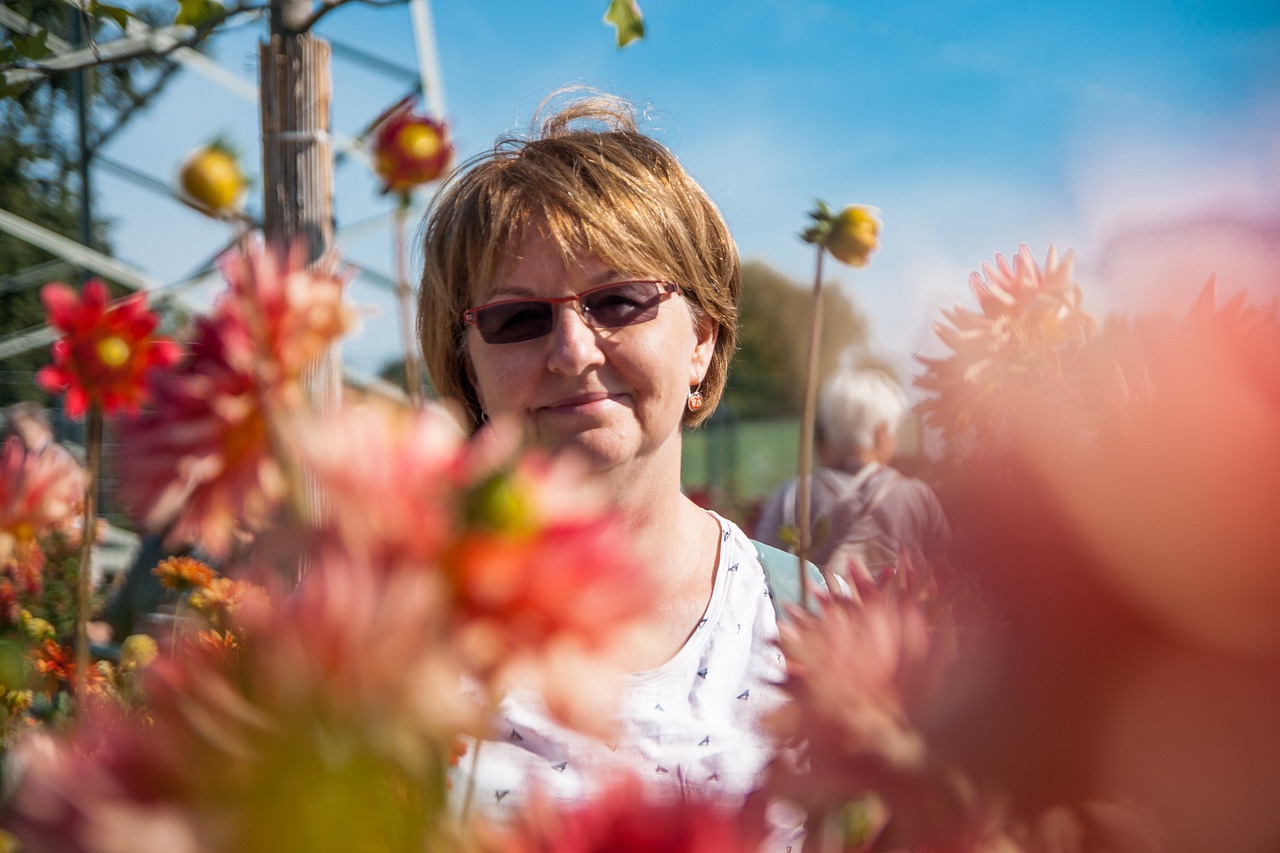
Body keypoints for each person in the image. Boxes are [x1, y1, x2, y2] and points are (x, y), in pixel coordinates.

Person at [416, 92, 814, 840]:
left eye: (619, 300)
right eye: (517, 317)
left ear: (702, 339)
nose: (572, 349)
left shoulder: (805, 619)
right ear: (469, 368)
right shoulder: (405, 625)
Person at [754, 368, 951, 583]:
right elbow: (951, 573)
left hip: (812, 615)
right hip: (897, 616)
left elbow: (761, 575)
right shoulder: (916, 497)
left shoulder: (790, 496)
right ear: (881, 434)